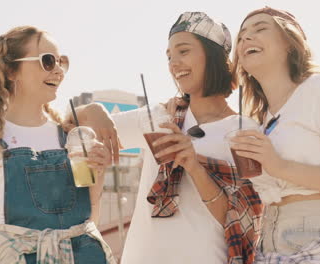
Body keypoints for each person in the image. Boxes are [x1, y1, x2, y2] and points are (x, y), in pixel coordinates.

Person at [65, 12, 262, 264]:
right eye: (169, 56)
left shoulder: (245, 129)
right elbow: (71, 122)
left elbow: (245, 216)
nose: (174, 63)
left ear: (212, 57)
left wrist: (194, 165)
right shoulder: (159, 116)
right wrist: (93, 110)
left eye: (183, 51)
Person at [0, 26, 115, 264]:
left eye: (61, 61)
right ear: (11, 71)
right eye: (47, 61)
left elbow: (89, 220)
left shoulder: (71, 137)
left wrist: (98, 173)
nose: (58, 70)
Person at [229, 7, 320, 263]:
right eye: (241, 37)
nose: (246, 39)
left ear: (290, 44)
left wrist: (280, 166)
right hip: (270, 246)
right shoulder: (260, 121)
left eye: (260, 28)